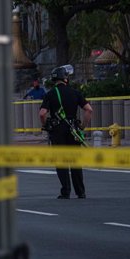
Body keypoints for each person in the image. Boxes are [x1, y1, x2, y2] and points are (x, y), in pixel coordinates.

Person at [39, 65, 93, 199]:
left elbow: (42, 113)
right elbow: (89, 110)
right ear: (65, 78)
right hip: (73, 130)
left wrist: (46, 125)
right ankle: (81, 192)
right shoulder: (75, 93)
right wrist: (82, 126)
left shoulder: (50, 94)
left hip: (58, 131)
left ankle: (66, 191)